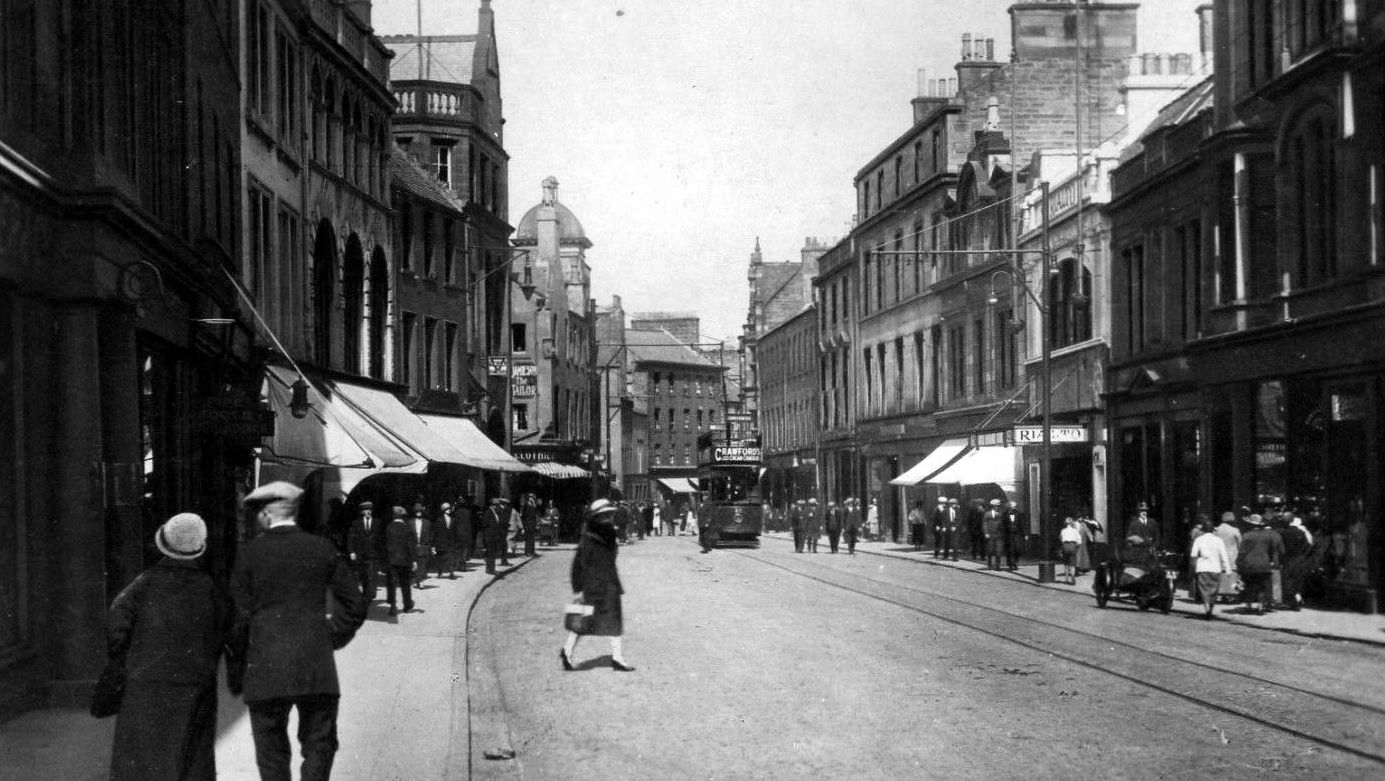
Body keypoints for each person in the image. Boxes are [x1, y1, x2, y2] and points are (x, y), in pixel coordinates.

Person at [229, 482, 365, 781]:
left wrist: (237, 674)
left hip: (265, 668)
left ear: (265, 515)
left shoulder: (249, 555)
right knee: (319, 745)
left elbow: (237, 622)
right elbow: (355, 604)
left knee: (271, 754)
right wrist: (330, 636)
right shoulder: (321, 548)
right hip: (316, 667)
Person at [107, 513, 230, 781]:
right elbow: (223, 631)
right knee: (191, 759)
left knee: (142, 760)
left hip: (146, 681)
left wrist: (127, 656)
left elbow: (117, 621)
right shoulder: (208, 586)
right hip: (195, 683)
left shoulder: (145, 583)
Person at [562, 499, 635, 672]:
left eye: (610, 515)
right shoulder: (588, 538)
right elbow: (577, 565)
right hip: (595, 586)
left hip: (607, 585)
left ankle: (616, 657)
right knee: (583, 622)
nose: (608, 518)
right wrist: (578, 589)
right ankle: (567, 651)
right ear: (596, 517)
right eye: (604, 516)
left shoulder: (609, 534)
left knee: (610, 621)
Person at [1237, 514, 1284, 615]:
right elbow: (1271, 550)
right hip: (1264, 564)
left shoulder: (1246, 535)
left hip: (1249, 564)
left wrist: (1238, 562)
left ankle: (1249, 605)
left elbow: (1242, 551)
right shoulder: (1267, 535)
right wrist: (1270, 560)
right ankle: (1260, 606)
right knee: (1262, 586)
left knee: (1249, 585)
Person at [1189, 514, 1231, 619]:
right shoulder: (1219, 540)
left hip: (1202, 567)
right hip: (1215, 568)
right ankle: (1210, 610)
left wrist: (1193, 567)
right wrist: (1228, 569)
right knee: (1214, 591)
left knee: (1204, 590)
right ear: (1213, 530)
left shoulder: (1199, 540)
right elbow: (1224, 555)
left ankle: (1207, 609)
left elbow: (1193, 554)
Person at [345, 501, 382, 602]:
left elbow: (381, 539)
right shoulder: (356, 523)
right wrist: (352, 551)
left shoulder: (377, 522)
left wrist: (382, 552)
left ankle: (371, 593)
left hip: (374, 554)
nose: (368, 512)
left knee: (373, 574)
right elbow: (351, 538)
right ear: (362, 512)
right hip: (361, 554)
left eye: (370, 510)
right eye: (366, 510)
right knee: (364, 575)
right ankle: (367, 593)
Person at [384, 505, 417, 615]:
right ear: (403, 516)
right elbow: (411, 546)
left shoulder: (388, 527)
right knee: (405, 583)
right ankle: (407, 605)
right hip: (404, 560)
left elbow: (385, 544)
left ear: (394, 516)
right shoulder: (407, 528)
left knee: (392, 584)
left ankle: (393, 606)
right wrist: (414, 560)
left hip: (391, 560)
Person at [1280, 514, 1313, 611]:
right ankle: (1297, 596)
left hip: (1288, 559)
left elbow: (1281, 548)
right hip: (1300, 559)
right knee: (1298, 579)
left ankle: (1293, 600)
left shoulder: (1283, 533)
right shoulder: (1301, 533)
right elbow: (1308, 546)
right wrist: (1303, 555)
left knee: (1288, 580)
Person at [482, 496, 512, 573]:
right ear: (491, 505)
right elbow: (485, 525)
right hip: (490, 536)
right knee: (490, 554)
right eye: (494, 504)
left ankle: (492, 569)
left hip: (494, 536)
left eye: (496, 504)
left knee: (493, 554)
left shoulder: (494, 513)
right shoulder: (488, 512)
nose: (495, 506)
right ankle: (490, 569)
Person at [409, 502, 433, 589]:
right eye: (417, 511)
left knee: (423, 564)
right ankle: (417, 579)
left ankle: (420, 580)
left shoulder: (427, 523)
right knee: (415, 564)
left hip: (424, 546)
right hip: (414, 546)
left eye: (420, 511)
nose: (418, 512)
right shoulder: (410, 522)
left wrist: (429, 545)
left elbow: (431, 535)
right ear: (414, 512)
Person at [433, 502, 460, 579]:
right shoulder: (439, 520)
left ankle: (451, 573)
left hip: (450, 542)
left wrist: (456, 542)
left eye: (449, 509)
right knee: (440, 559)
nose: (448, 510)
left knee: (451, 558)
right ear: (443, 510)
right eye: (446, 509)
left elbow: (455, 532)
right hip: (440, 542)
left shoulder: (453, 520)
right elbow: (435, 532)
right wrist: (434, 544)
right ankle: (440, 572)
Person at [1002, 500, 1025, 571]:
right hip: (1008, 535)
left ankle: (1015, 561)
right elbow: (1003, 526)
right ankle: (1011, 564)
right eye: (1012, 507)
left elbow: (1021, 524)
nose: (1013, 508)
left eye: (1014, 507)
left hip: (1016, 534)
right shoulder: (1005, 515)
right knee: (1010, 550)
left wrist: (1024, 534)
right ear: (1009, 507)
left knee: (1018, 549)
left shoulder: (1018, 514)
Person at [1059, 517, 1083, 585]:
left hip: (1065, 546)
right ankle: (1072, 575)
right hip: (1073, 545)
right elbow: (1079, 541)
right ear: (1072, 523)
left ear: (1065, 523)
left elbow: (1060, 539)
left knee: (1066, 563)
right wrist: (1076, 547)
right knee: (1073, 563)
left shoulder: (1063, 530)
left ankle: (1066, 579)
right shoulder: (1075, 531)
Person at [982, 499, 1004, 570]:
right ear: (992, 506)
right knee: (990, 550)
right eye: (995, 506)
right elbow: (984, 524)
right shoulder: (987, 514)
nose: (996, 507)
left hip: (999, 535)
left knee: (998, 550)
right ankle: (989, 565)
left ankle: (998, 566)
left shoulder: (1001, 514)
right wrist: (986, 533)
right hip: (990, 534)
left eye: (997, 506)